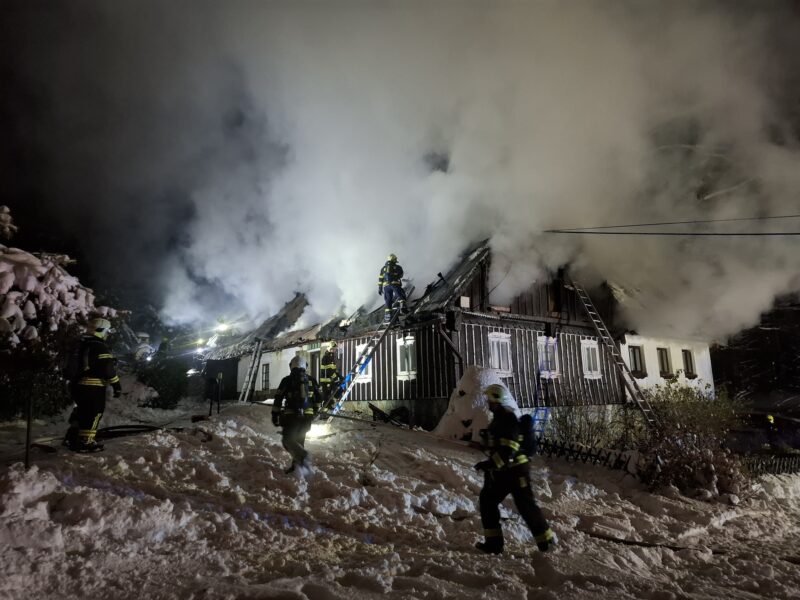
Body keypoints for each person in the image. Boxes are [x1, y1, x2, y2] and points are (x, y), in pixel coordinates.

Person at [473, 383, 556, 554]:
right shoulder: (498, 419)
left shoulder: (507, 419)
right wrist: (485, 442)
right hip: (505, 472)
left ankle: (546, 541)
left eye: (489, 399)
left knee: (525, 505)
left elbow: (509, 449)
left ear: (497, 400)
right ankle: (493, 544)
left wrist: (490, 464)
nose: (487, 402)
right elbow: (499, 444)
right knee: (487, 501)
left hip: (517, 471)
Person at [64, 317, 122, 453]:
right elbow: (107, 369)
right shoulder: (99, 346)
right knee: (94, 413)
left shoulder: (82, 343)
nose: (107, 335)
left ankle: (72, 437)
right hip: (92, 386)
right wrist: (116, 385)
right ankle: (86, 441)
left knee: (81, 411)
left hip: (77, 385)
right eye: (107, 332)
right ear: (101, 330)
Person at [271, 355, 322, 474]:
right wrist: (315, 411)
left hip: (291, 416)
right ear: (305, 366)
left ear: (291, 366)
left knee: (287, 440)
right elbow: (319, 397)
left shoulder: (286, 380)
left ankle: (302, 456)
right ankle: (298, 467)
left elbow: (278, 398)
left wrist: (275, 414)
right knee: (299, 441)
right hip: (307, 417)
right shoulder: (312, 380)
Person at [378, 253, 408, 323]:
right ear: (394, 260)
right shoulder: (398, 267)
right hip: (395, 284)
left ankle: (388, 316)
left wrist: (380, 288)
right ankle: (403, 308)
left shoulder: (383, 268)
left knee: (388, 300)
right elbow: (401, 275)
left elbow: (380, 279)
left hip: (386, 287)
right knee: (401, 295)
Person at [319, 341, 342, 406]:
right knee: (327, 397)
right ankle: (326, 408)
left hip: (330, 380)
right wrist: (336, 378)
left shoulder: (331, 357)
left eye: (335, 349)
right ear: (329, 348)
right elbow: (329, 371)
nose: (334, 350)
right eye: (333, 349)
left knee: (337, 391)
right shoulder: (327, 357)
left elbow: (333, 370)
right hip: (326, 381)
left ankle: (330, 405)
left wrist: (339, 376)